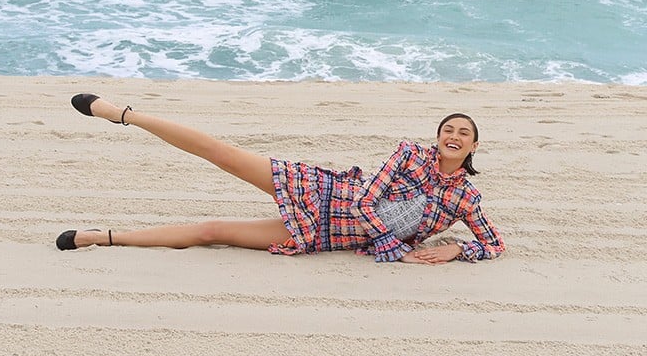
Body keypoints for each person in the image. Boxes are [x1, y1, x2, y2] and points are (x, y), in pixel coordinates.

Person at [56, 93, 504, 264]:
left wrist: (456, 249)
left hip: (327, 234)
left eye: (463, 133)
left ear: (473, 147)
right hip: (324, 191)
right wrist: (394, 249)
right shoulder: (409, 156)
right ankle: (121, 113)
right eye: (448, 129)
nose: (453, 135)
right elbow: (367, 203)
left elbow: (494, 244)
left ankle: (103, 237)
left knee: (211, 232)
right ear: (438, 136)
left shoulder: (465, 199)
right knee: (222, 154)